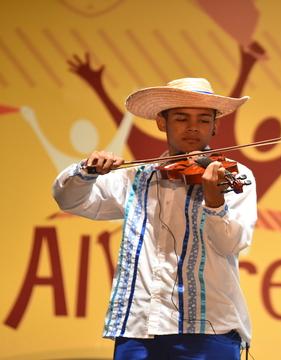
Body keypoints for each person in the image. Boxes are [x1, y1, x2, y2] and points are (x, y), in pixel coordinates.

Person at [52, 78, 257, 360]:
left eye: (203, 119)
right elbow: (70, 199)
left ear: (215, 125)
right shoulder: (135, 177)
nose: (193, 127)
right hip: (139, 326)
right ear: (162, 123)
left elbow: (233, 243)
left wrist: (214, 199)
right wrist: (86, 171)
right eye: (182, 118)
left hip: (210, 327)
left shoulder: (233, 176)